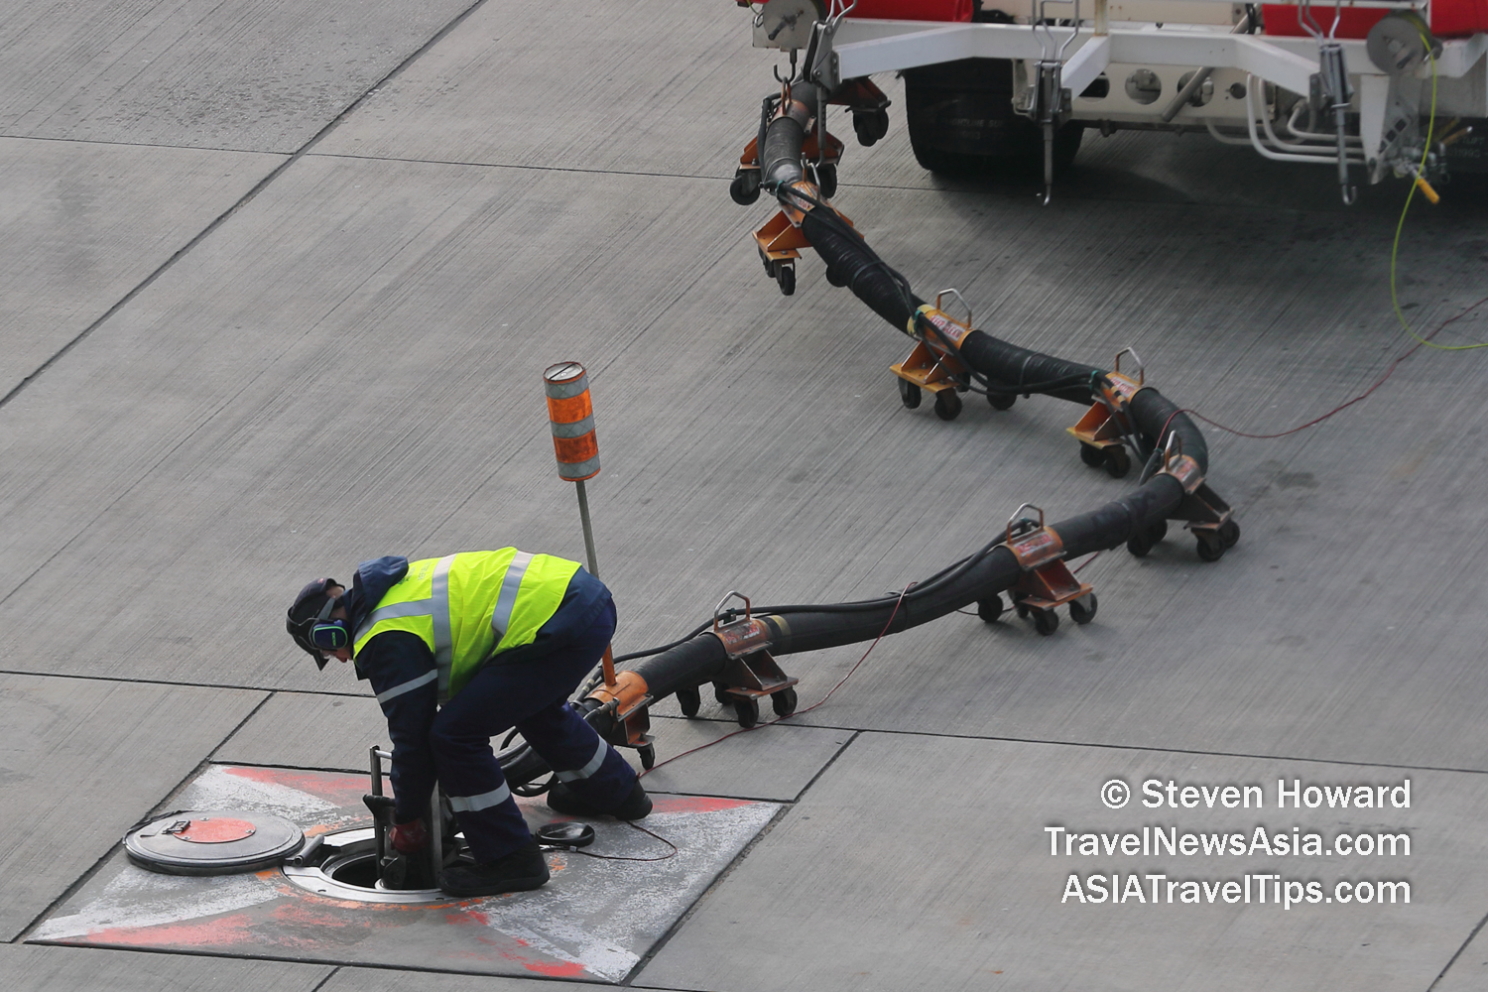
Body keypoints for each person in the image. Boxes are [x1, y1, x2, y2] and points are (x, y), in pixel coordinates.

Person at [286, 550, 650, 897]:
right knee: (536, 709)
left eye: (327, 646)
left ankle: (511, 858)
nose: (337, 657)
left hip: (556, 622)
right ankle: (619, 794)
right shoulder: (392, 591)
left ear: (332, 627)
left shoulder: (384, 636)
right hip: (583, 602)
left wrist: (408, 818)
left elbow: (413, 738)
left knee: (454, 736)